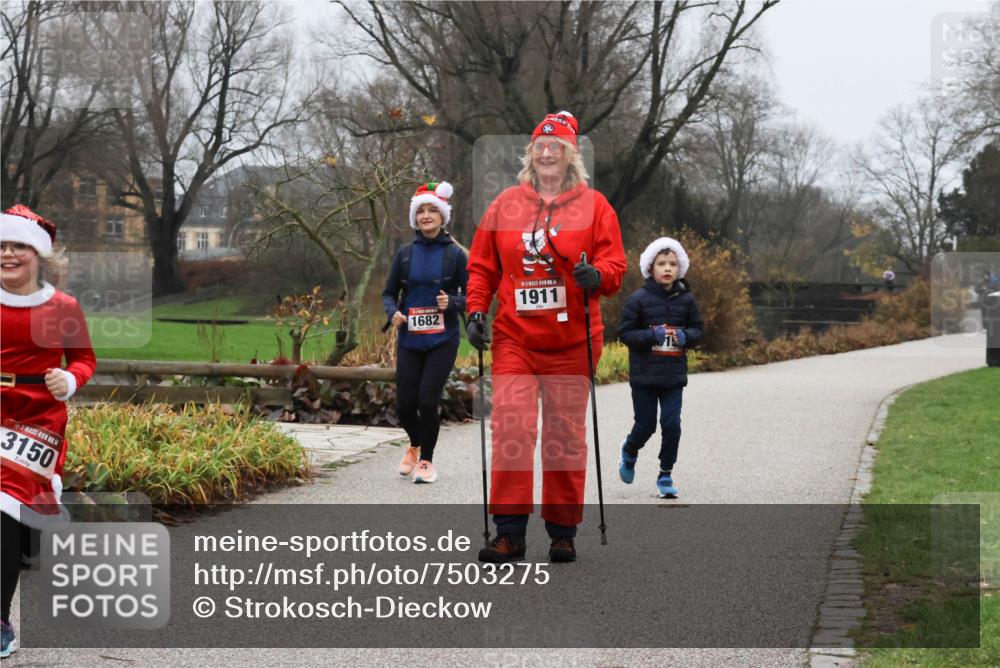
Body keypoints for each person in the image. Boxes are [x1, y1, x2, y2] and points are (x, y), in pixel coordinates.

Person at [465, 111, 626, 563]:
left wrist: (597, 274)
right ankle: (509, 532)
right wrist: (476, 308)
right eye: (540, 145)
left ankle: (562, 530)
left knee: (563, 436)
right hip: (516, 338)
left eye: (556, 146)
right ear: (531, 155)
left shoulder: (596, 207)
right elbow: (481, 266)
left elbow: (615, 267)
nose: (547, 151)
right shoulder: (504, 205)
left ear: (571, 155)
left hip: (573, 342)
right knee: (512, 428)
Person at [1, 205, 96, 658]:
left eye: (18, 245)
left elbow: (85, 359)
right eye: (1, 246)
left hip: (37, 419)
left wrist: (71, 379)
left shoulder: (62, 307)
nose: (8, 254)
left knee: (9, 514)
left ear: (37, 254)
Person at [382, 182, 467, 484]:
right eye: (422, 211)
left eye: (433, 210)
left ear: (443, 216)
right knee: (405, 406)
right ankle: (415, 444)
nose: (427, 216)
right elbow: (389, 293)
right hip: (410, 339)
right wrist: (393, 313)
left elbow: (475, 296)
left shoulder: (456, 255)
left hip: (442, 340)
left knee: (427, 402)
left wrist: (453, 302)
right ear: (414, 217)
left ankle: (427, 461)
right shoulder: (405, 254)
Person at [617, 237, 704, 498]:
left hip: (673, 376)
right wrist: (650, 336)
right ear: (650, 268)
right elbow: (625, 333)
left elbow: (699, 329)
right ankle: (630, 450)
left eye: (673, 264)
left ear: (680, 268)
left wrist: (687, 337)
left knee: (672, 424)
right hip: (644, 376)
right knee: (646, 426)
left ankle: (665, 474)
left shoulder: (687, 300)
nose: (668, 268)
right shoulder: (638, 299)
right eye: (662, 263)